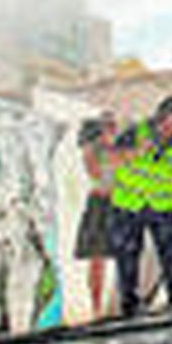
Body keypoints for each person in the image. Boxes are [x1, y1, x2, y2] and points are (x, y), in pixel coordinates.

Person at [109, 96, 172, 318]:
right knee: (128, 256)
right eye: (171, 120)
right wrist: (137, 151)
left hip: (161, 206)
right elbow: (112, 158)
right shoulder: (135, 133)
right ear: (160, 117)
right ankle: (129, 304)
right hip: (129, 205)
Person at [74, 111, 119, 320]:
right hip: (100, 203)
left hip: (116, 202)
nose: (112, 130)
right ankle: (97, 307)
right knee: (97, 258)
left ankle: (115, 303)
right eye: (108, 126)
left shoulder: (114, 150)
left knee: (122, 255)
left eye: (113, 126)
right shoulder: (93, 150)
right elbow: (96, 173)